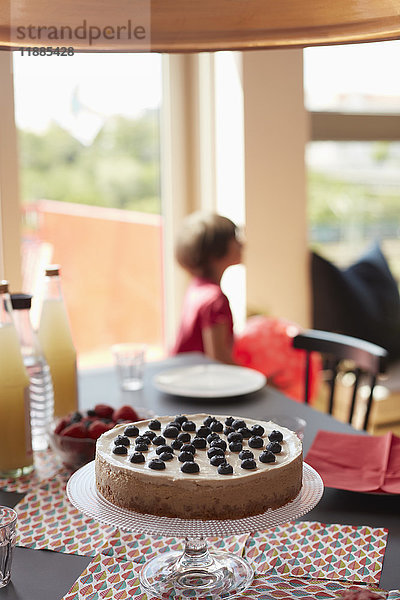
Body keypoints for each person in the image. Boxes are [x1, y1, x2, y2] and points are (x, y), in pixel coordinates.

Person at [172, 211, 243, 364]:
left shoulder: (197, 286)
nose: (242, 244)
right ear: (216, 251)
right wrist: (258, 379)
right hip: (195, 379)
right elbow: (218, 359)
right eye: (235, 239)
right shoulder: (215, 299)